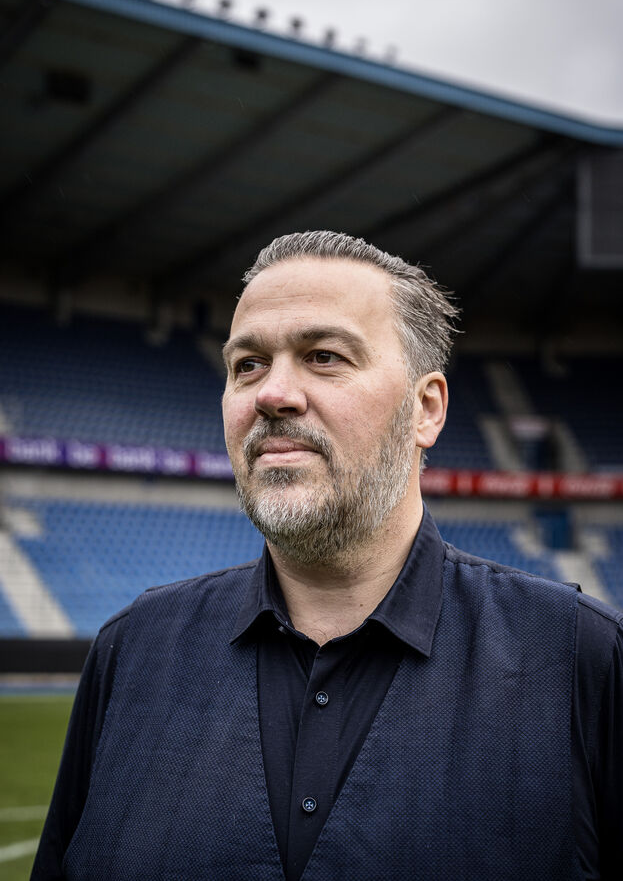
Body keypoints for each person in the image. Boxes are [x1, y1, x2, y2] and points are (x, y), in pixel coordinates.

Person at [33, 231, 622, 881]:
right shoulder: (131, 652)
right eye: (247, 364)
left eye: (323, 356)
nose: (272, 393)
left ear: (425, 409)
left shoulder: (581, 660)